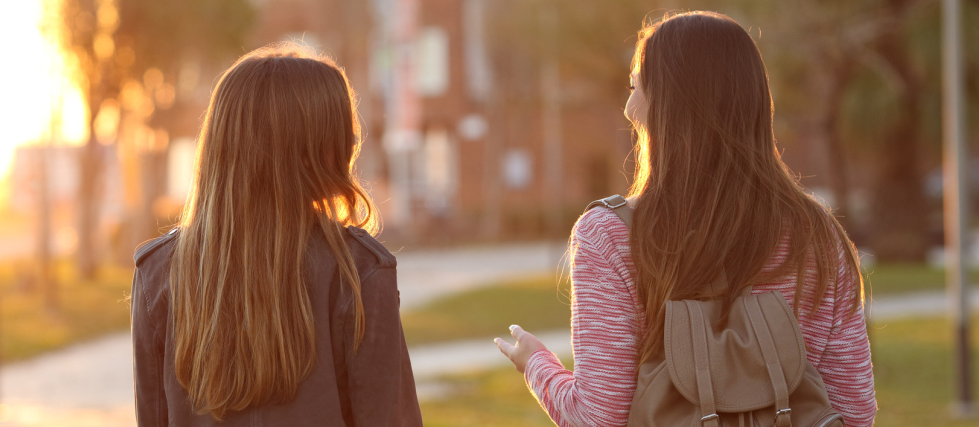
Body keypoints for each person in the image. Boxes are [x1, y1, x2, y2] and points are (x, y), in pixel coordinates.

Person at [494, 11, 877, 426]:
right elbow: (853, 413)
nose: (627, 109)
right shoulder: (817, 236)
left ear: (666, 106)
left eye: (635, 88)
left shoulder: (610, 236)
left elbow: (598, 418)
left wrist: (537, 366)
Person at [130, 43, 422, 426]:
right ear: (306, 149)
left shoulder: (158, 272)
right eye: (339, 131)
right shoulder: (359, 271)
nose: (352, 143)